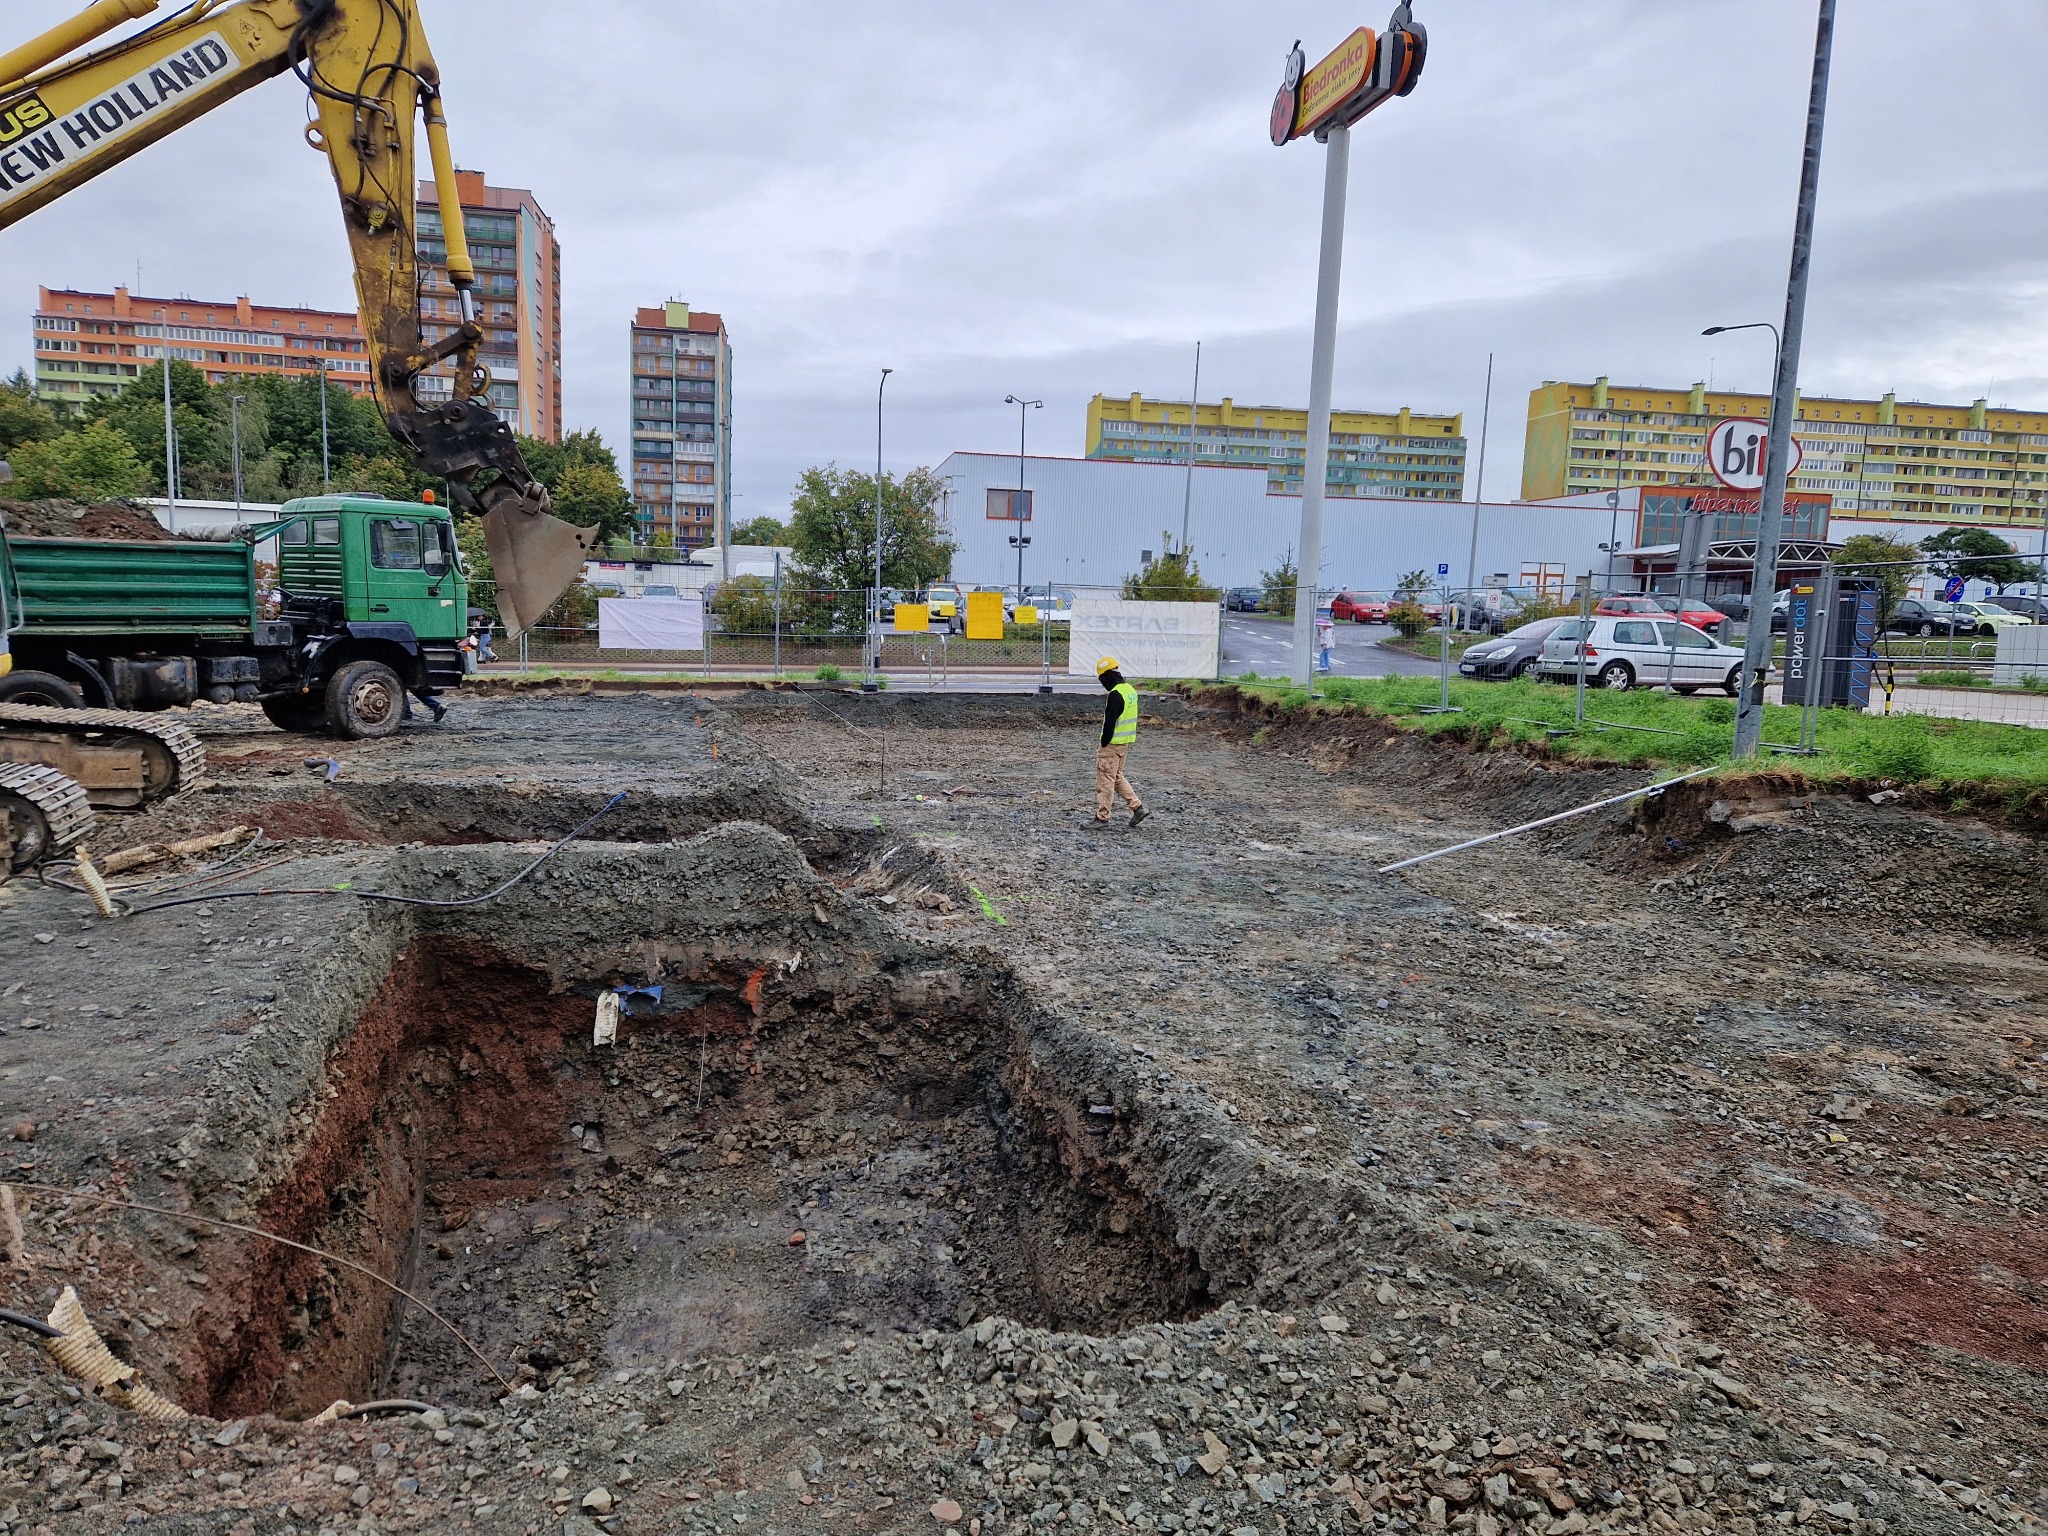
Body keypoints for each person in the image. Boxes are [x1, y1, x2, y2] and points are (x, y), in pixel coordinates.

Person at [1091, 656, 1148, 829]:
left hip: (1112, 744)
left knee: (1105, 781)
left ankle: (1102, 818)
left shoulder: (1115, 694)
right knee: (1116, 777)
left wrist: (1104, 743)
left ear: (1106, 675)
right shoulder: (1130, 690)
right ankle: (1137, 807)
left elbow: (1110, 722)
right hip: (1125, 743)